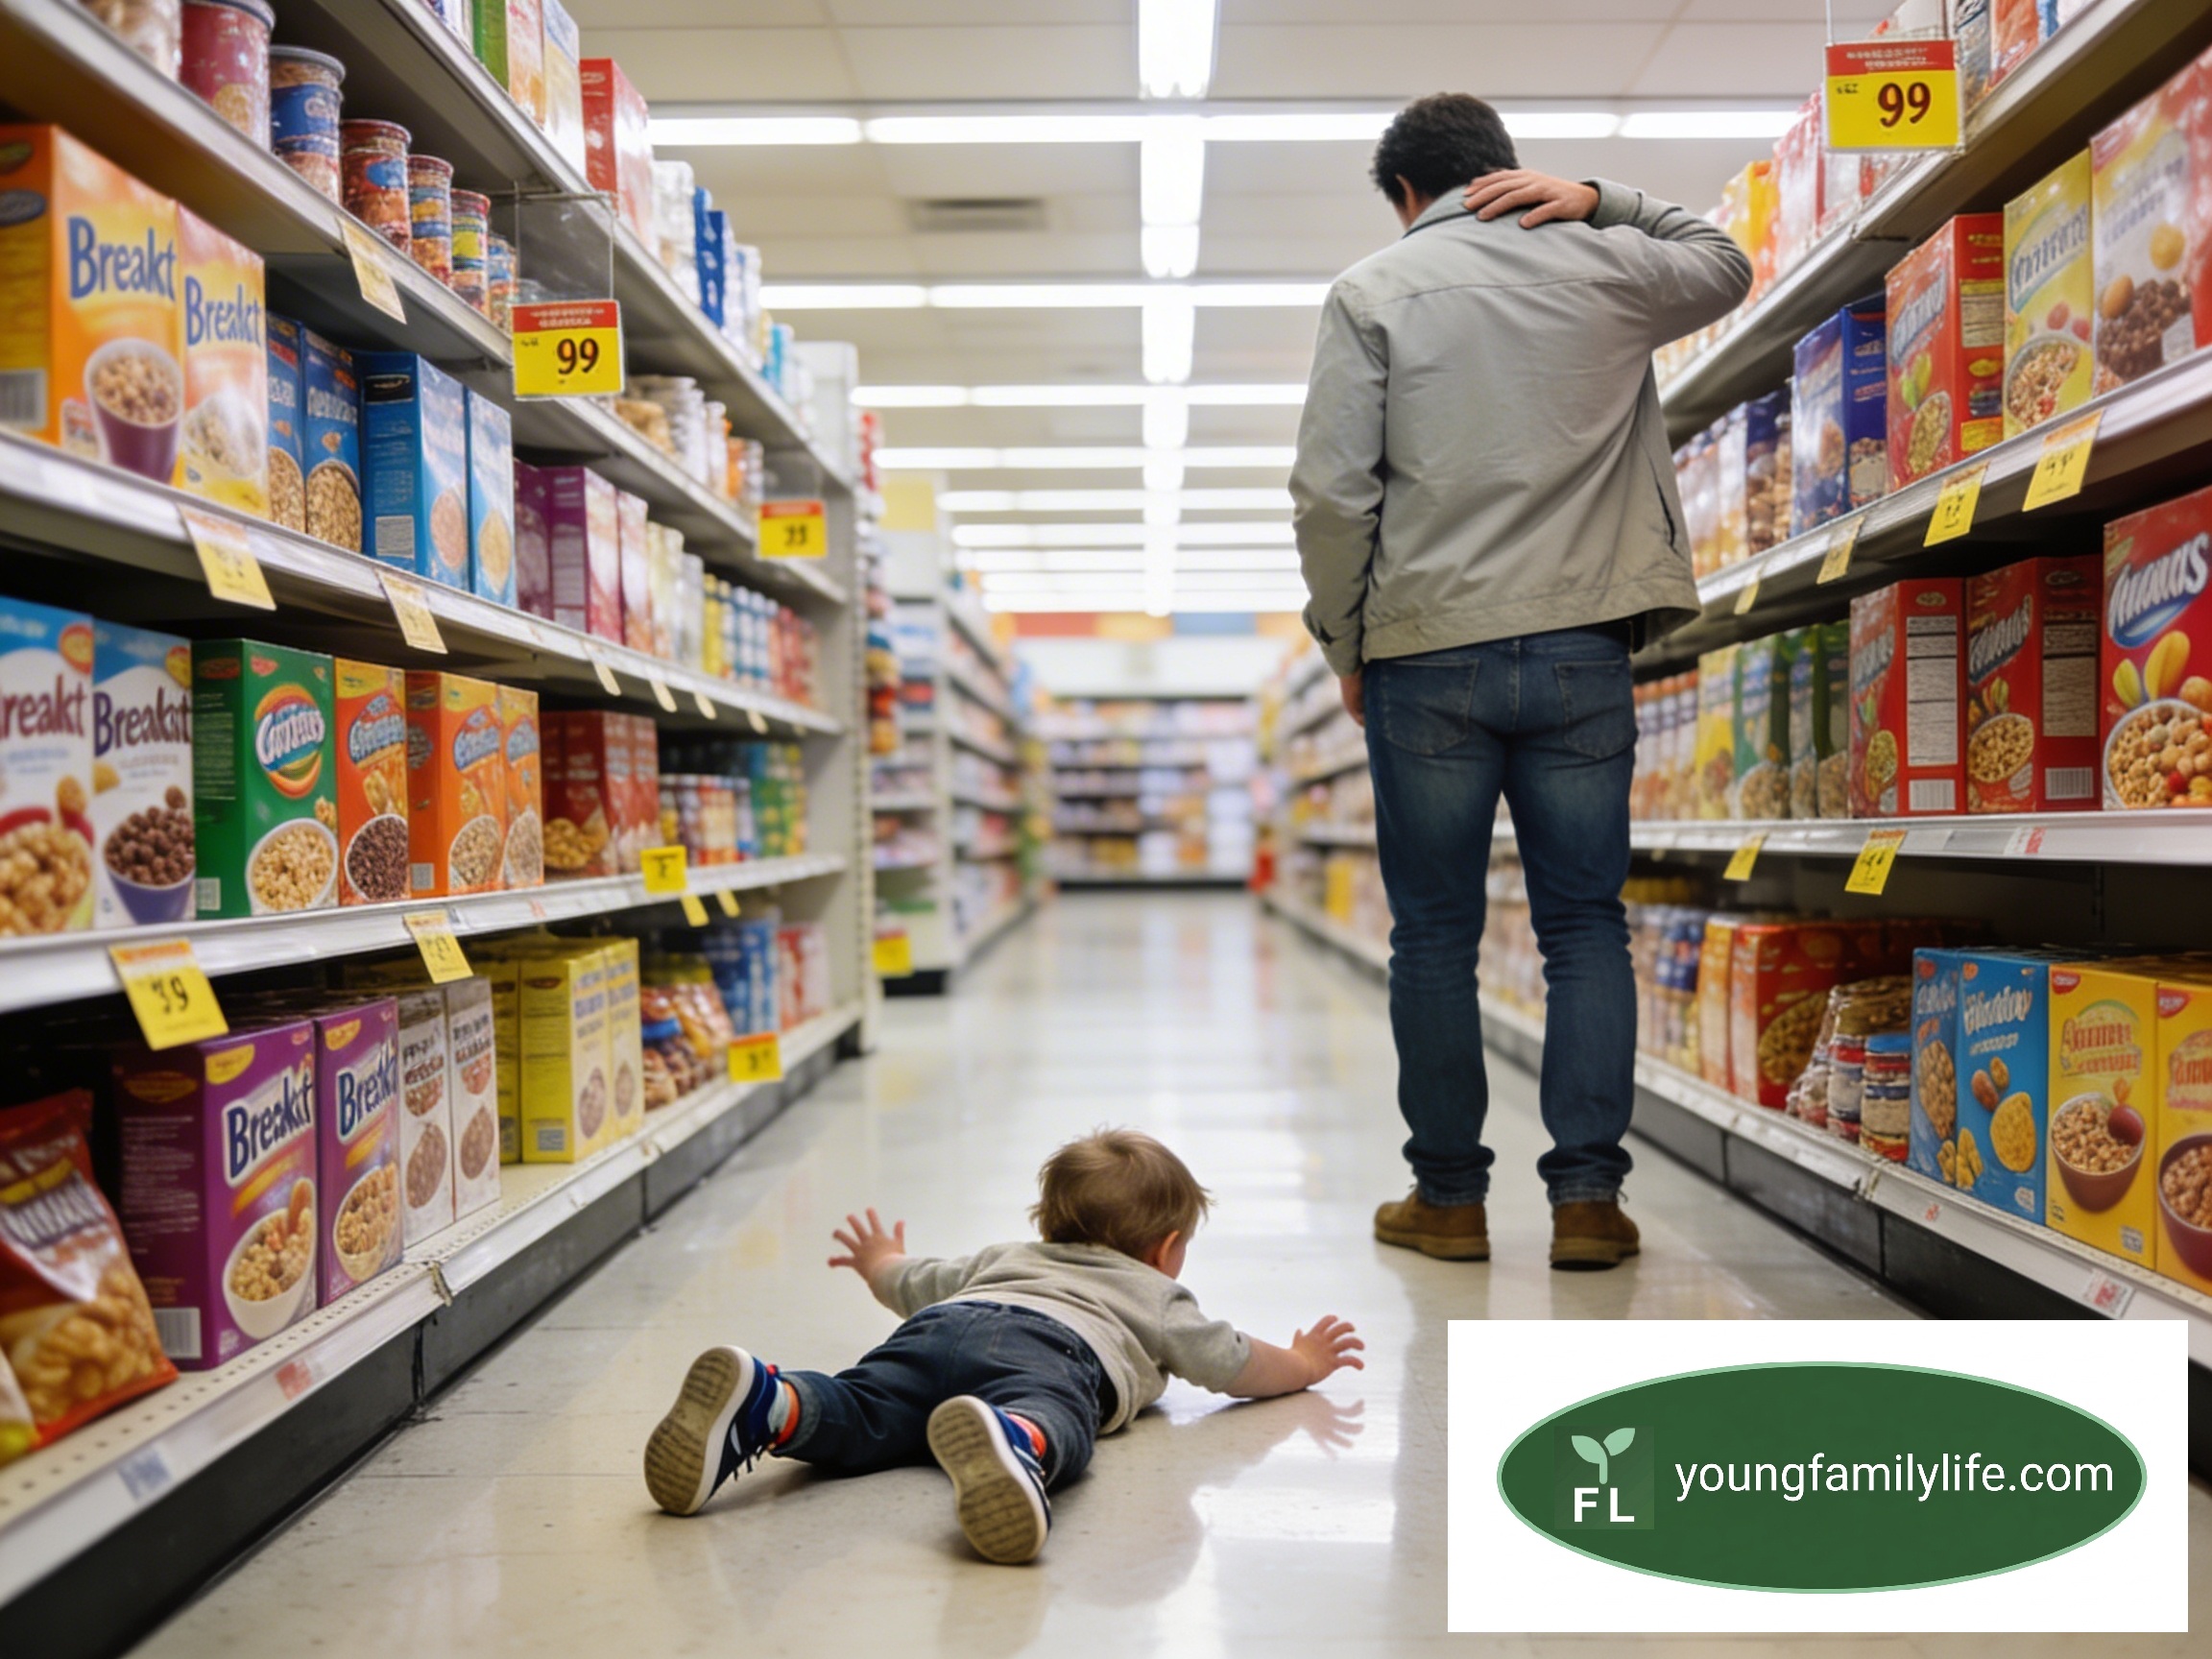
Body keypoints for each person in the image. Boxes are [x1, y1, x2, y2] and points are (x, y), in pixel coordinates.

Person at [1289, 93, 1753, 1271]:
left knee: (1434, 937)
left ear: (1405, 195)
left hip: (1424, 654)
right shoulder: (1610, 266)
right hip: (1581, 645)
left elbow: (1333, 498)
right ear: (1512, 174)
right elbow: (1727, 262)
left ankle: (1447, 1201)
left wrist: (1346, 647)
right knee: (1585, 928)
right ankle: (1589, 1201)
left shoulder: (1370, 291)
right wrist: (1605, 200)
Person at [641, 1128, 1364, 1564]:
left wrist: (879, 1261)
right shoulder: (1155, 1296)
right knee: (1055, 1411)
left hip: (938, 1329)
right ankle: (1018, 1439)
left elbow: (914, 1282)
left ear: (1046, 1224)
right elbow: (1230, 1362)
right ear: (1168, 1250)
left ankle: (773, 1402)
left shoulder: (1004, 1256)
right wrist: (1302, 1363)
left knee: (863, 1409)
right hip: (1053, 1352)